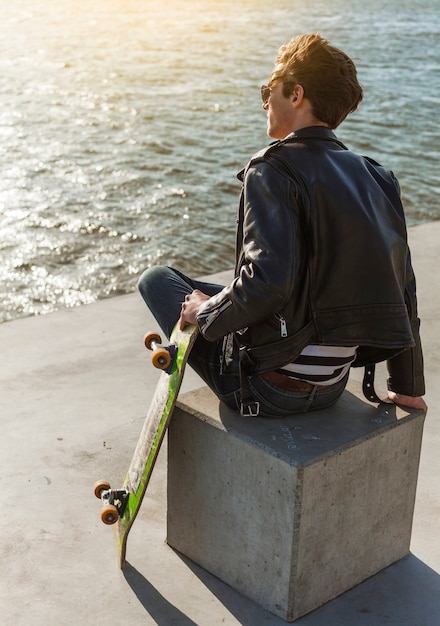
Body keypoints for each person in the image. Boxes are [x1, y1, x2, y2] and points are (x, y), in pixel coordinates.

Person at [138, 33, 427, 418]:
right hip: (332, 385)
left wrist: (206, 314)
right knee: (217, 294)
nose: (264, 101)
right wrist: (407, 388)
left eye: (268, 89)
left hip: (270, 388)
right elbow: (403, 290)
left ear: (295, 95)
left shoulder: (272, 168)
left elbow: (268, 283)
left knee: (158, 280)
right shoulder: (377, 176)